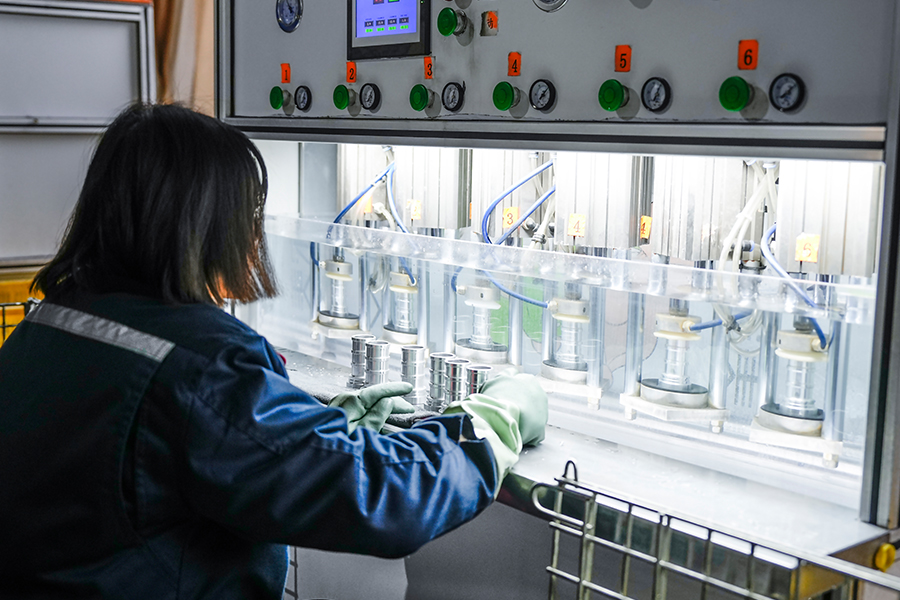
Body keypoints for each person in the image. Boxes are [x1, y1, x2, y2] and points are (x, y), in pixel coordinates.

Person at [0, 103, 547, 599]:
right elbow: (385, 494)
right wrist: (492, 419)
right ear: (207, 225)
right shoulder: (203, 366)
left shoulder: (48, 324)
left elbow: (161, 466)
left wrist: (313, 432)